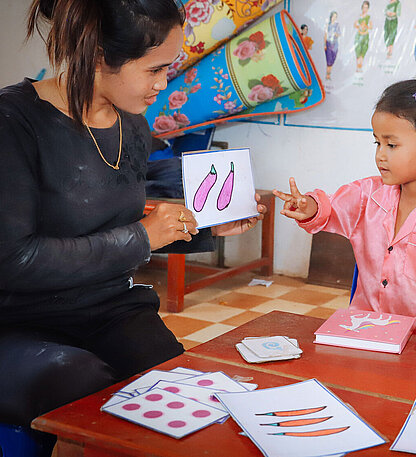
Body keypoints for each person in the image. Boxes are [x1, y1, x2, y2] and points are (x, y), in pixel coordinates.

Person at [0, 0, 266, 450]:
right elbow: (13, 260)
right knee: (80, 383)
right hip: (17, 321)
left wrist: (203, 229)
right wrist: (143, 236)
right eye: (155, 70)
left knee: (175, 386)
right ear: (99, 56)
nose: (164, 84)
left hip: (108, 310)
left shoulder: (133, 127)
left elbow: (120, 229)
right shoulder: (13, 123)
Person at [274, 80, 416, 363]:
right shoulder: (368, 194)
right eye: (377, 142)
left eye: (391, 144)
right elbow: (333, 207)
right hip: (364, 336)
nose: (380, 155)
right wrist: (310, 207)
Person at [354, 1, 372, 72]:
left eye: (366, 8)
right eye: (364, 7)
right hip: (359, 36)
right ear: (362, 7)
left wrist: (366, 26)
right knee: (358, 52)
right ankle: (358, 67)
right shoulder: (359, 16)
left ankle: (360, 67)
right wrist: (359, 26)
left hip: (365, 36)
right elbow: (355, 24)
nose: (365, 9)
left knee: (363, 52)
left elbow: (371, 26)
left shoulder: (369, 17)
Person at [324, 11, 341, 81]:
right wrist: (325, 44)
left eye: (335, 17)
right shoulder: (328, 25)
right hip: (328, 43)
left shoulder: (337, 25)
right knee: (329, 60)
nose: (334, 18)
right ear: (331, 16)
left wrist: (335, 34)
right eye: (333, 16)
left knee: (333, 59)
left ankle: (329, 74)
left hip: (335, 44)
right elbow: (325, 34)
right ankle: (328, 75)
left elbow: (339, 34)